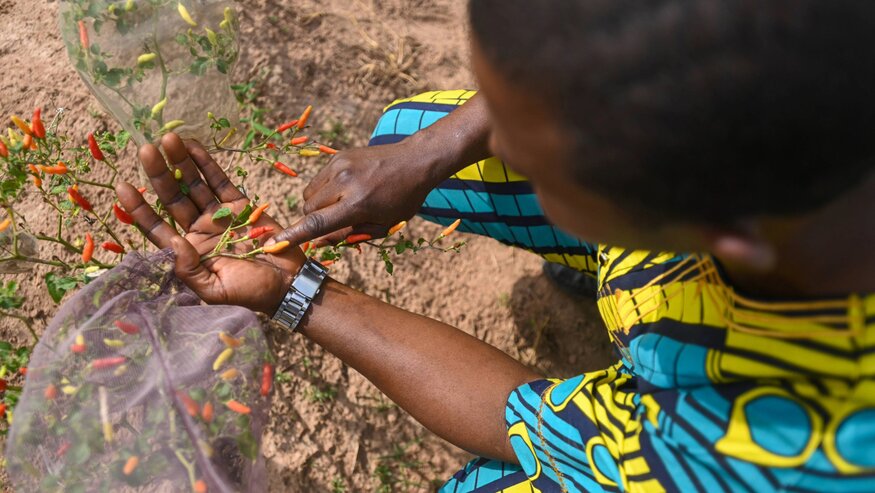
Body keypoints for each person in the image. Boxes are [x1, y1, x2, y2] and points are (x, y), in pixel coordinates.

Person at [116, 1, 875, 491]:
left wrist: (292, 290)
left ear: (715, 234)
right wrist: (431, 150)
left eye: (538, 157)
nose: (486, 143)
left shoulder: (748, 445)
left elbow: (518, 418)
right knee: (405, 138)